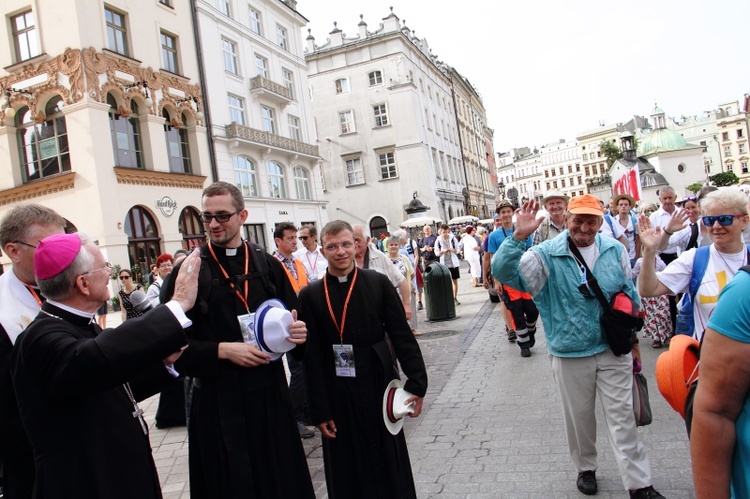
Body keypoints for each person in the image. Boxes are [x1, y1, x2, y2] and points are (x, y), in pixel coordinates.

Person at [493, 195, 663, 499]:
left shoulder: (614, 249)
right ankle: (586, 468)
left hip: (612, 349)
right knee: (579, 418)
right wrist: (519, 237)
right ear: (568, 219)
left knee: (623, 417)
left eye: (591, 220)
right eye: (578, 220)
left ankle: (640, 485)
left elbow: (627, 292)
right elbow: (505, 274)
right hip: (569, 351)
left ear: (600, 222)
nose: (584, 226)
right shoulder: (545, 254)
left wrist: (633, 340)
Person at [11, 233, 201, 498]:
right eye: (105, 268)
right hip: (88, 483)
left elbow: (108, 386)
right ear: (83, 283)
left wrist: (163, 363)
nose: (111, 274)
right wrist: (176, 305)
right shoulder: (40, 338)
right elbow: (93, 361)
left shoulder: (81, 325)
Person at [162, 181, 314, 498]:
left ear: (242, 215)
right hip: (217, 403)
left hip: (269, 398)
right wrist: (220, 351)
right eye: (207, 217)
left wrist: (299, 336)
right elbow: (170, 349)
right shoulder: (186, 272)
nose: (213, 224)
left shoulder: (267, 265)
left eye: (222, 216)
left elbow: (295, 326)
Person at [300, 220, 428, 499]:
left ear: (357, 245)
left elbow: (401, 335)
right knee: (346, 465)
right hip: (337, 391)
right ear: (322, 252)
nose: (340, 251)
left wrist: (417, 384)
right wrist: (319, 410)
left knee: (387, 461)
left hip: (378, 381)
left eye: (346, 244)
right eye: (332, 247)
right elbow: (311, 357)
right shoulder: (310, 295)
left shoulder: (377, 283)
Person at [0, 204, 65, 499]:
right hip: (30, 456)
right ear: (13, 251)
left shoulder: (68, 287)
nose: (61, 256)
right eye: (47, 246)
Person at [638, 186, 750, 343]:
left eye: (725, 219)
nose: (716, 226)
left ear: (744, 221)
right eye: (709, 220)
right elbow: (649, 289)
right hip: (711, 362)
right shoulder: (695, 259)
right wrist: (649, 251)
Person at [690, 269, 750, 499]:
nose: (717, 229)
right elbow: (715, 412)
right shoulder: (744, 292)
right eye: (712, 227)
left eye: (726, 227)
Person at [273, 222, 315, 439]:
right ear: (278, 241)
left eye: (295, 238)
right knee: (297, 370)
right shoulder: (272, 265)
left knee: (306, 367)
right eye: (289, 238)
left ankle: (306, 413)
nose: (294, 241)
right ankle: (294, 417)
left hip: (302, 320)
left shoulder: (296, 262)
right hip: (285, 324)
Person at [487, 200, 538, 357]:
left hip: (523, 277)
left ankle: (530, 330)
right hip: (507, 280)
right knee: (516, 313)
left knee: (533, 311)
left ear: (513, 213)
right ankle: (524, 345)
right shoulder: (494, 236)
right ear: (499, 215)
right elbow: (493, 259)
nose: (506, 214)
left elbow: (530, 252)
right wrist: (496, 280)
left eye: (508, 211)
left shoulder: (523, 230)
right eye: (503, 212)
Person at [631, 204, 672, 348]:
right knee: (651, 316)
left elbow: (666, 271)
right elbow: (632, 275)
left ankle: (665, 335)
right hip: (648, 298)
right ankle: (656, 337)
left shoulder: (658, 260)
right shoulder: (640, 261)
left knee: (663, 315)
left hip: (660, 294)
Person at [352, 225, 411, 319]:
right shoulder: (345, 259)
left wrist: (406, 305)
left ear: (367, 240)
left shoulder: (380, 257)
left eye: (357, 240)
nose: (354, 244)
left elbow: (401, 280)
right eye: (351, 241)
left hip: (381, 313)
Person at [649, 186, 679, 332]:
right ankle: (672, 328)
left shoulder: (681, 213)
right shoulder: (654, 217)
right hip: (663, 259)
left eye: (670, 198)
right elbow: (655, 243)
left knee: (683, 294)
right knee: (668, 297)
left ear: (675, 198)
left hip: (680, 256)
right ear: (660, 200)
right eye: (664, 198)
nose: (667, 201)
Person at [483, 213, 516, 340]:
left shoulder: (515, 231)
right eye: (496, 220)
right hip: (500, 273)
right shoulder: (491, 237)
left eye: (500, 219)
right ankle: (511, 328)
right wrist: (485, 276)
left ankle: (515, 324)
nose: (499, 222)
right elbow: (486, 258)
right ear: (494, 222)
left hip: (516, 273)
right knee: (504, 300)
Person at [434, 223, 462, 305]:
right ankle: (448, 298)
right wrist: (442, 251)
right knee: (446, 281)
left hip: (453, 263)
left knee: (455, 280)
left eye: (446, 232)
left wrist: (453, 250)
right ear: (441, 232)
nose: (445, 234)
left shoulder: (453, 238)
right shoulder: (438, 240)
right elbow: (436, 253)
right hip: (444, 263)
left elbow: (458, 249)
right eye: (444, 232)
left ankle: (454, 297)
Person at [610, 194, 640, 267]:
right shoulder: (613, 221)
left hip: (632, 257)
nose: (623, 206)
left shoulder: (634, 221)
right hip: (618, 257)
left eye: (626, 204)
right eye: (621, 204)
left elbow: (638, 241)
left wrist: (637, 257)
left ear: (629, 207)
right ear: (617, 207)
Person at [417, 224, 438, 310]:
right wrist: (424, 249)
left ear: (431, 230)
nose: (427, 231)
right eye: (425, 229)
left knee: (436, 276)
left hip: (435, 259)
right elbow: (419, 250)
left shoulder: (435, 237)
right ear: (423, 231)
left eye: (428, 229)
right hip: (425, 260)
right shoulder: (422, 240)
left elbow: (437, 247)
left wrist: (432, 249)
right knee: (427, 278)